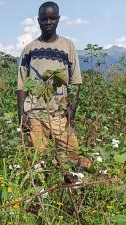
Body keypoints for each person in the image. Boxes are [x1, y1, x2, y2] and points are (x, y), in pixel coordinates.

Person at [17, 1, 82, 163]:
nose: (48, 22)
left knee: (71, 156)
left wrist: (71, 111)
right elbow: (21, 84)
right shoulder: (30, 49)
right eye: (44, 19)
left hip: (60, 114)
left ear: (58, 19)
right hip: (34, 114)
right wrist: (22, 115)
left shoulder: (68, 46)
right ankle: (41, 187)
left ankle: (67, 186)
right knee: (38, 161)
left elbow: (75, 81)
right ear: (38, 20)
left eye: (52, 18)